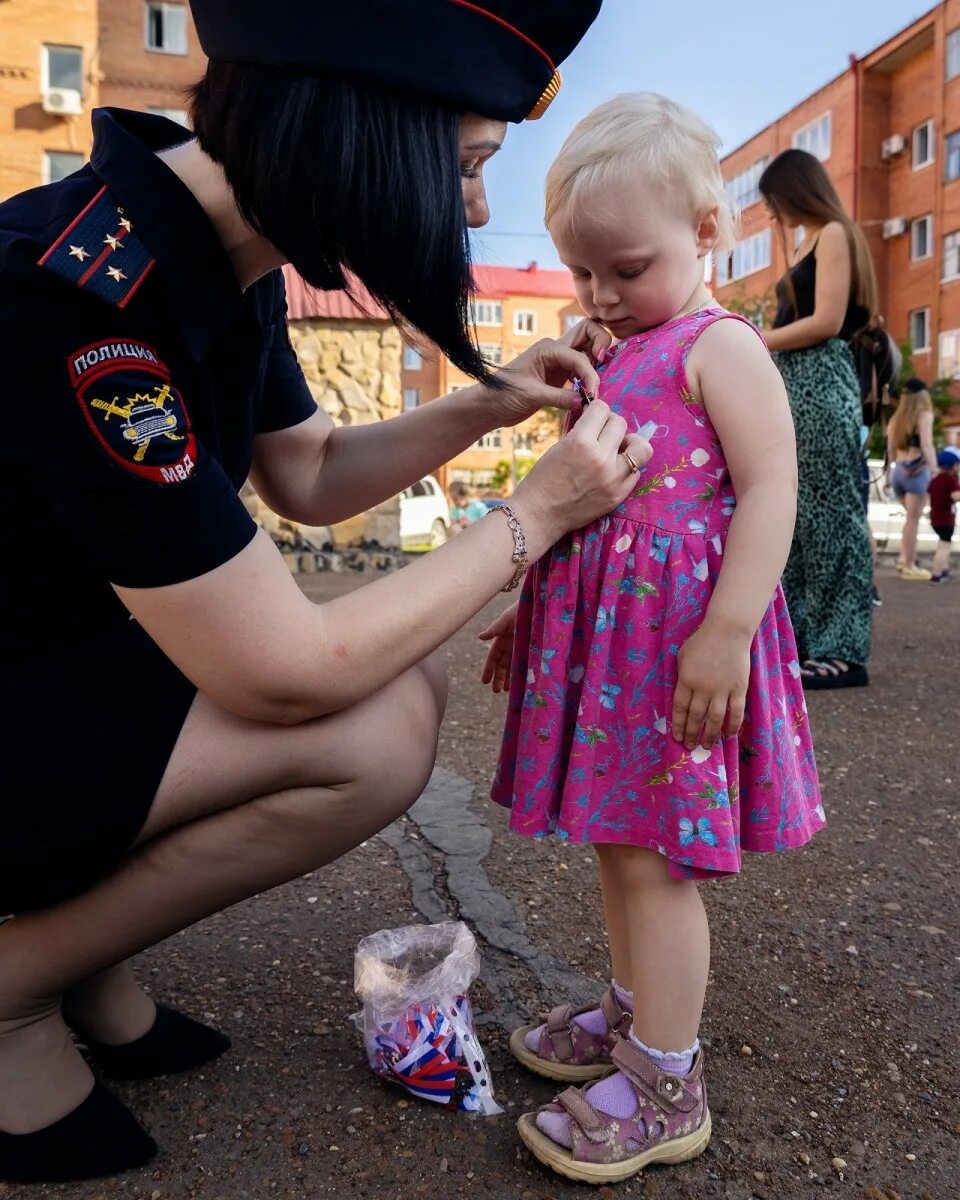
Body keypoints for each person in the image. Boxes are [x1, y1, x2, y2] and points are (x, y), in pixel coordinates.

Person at [0, 1, 658, 1185]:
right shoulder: (81, 302)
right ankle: (13, 989)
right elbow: (282, 669)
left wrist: (488, 402)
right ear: (360, 132)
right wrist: (541, 512)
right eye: (464, 167)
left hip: (42, 666)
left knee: (395, 675)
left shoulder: (209, 248)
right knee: (369, 722)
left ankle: (77, 945)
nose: (471, 210)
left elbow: (305, 477)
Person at [479, 94, 824, 1186]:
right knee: (620, 843)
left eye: (625, 268)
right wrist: (522, 604)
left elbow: (774, 490)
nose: (600, 295)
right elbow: (585, 504)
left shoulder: (720, 347)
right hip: (612, 649)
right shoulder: (612, 349)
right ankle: (633, 1020)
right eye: (584, 273)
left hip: (678, 655)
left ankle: (668, 1081)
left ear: (708, 234)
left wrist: (726, 634)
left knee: (659, 863)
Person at [760, 149, 876, 690]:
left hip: (822, 381)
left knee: (831, 516)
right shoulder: (810, 237)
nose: (770, 211)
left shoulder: (833, 231)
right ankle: (806, 642)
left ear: (792, 189)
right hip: (792, 383)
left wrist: (757, 339)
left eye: (773, 199)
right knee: (798, 516)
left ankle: (844, 650)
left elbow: (826, 321)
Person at [887, 378, 938, 580]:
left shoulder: (896, 418)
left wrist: (889, 476)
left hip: (899, 469)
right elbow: (926, 445)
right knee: (913, 521)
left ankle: (903, 559)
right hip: (916, 472)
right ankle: (909, 564)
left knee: (909, 520)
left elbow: (890, 450)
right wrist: (935, 470)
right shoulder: (924, 415)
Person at [929, 446, 960, 583]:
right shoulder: (950, 480)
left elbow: (929, 491)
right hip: (946, 519)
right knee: (944, 546)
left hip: (935, 517)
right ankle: (937, 573)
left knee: (942, 543)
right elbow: (955, 496)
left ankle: (944, 569)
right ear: (953, 465)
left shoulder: (935, 480)